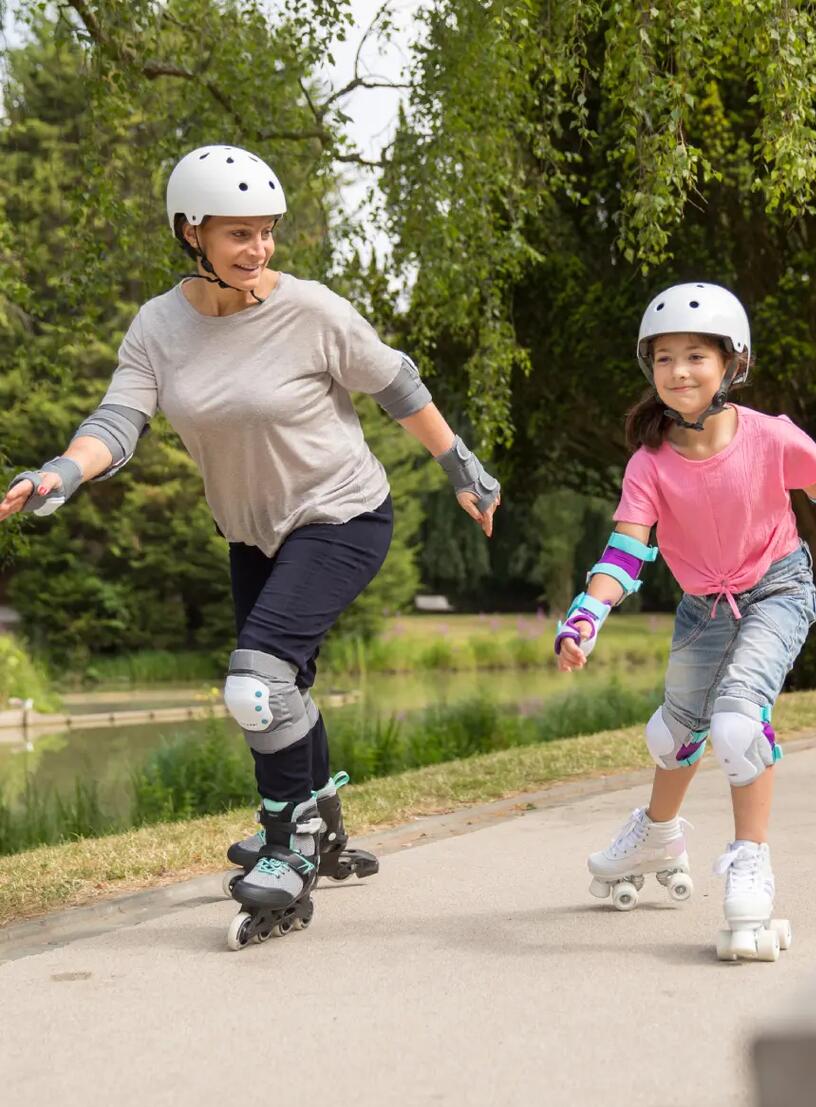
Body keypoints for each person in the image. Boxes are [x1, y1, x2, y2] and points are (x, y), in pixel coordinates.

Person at [0, 144, 501, 949]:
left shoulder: (313, 310)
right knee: (285, 683)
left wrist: (459, 463)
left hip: (343, 514)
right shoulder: (158, 327)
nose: (258, 249)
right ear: (189, 231)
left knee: (257, 686)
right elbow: (118, 420)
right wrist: (63, 471)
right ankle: (322, 822)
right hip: (254, 533)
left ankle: (286, 850)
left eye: (266, 231)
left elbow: (395, 381)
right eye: (239, 233)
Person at [554, 282, 816, 961]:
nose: (678, 372)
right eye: (663, 359)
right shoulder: (649, 463)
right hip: (702, 607)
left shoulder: (769, 437)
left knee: (739, 723)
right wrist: (587, 614)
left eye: (695, 357)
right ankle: (658, 832)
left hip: (778, 588)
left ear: (731, 363)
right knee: (672, 732)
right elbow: (626, 548)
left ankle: (751, 861)